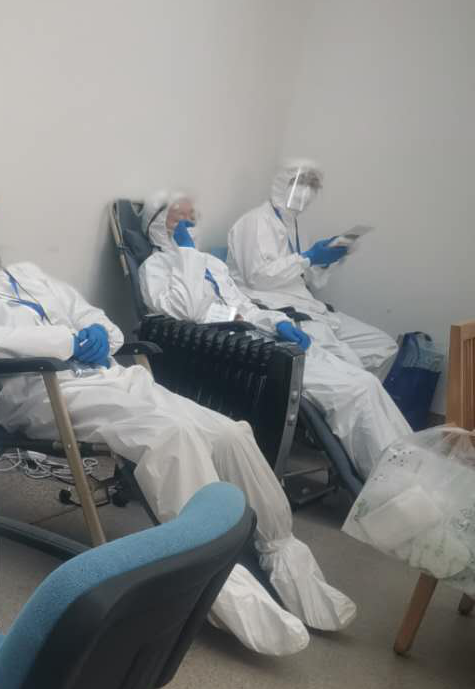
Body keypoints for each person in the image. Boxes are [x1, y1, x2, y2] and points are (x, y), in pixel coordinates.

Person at [0, 198, 358, 656]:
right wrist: (66, 340)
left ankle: (282, 551)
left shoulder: (29, 274)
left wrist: (99, 334)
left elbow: (93, 316)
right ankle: (216, 581)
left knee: (232, 433)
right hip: (45, 392)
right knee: (170, 437)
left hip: (111, 377)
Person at [140, 192, 411, 478]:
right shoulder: (154, 268)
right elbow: (189, 309)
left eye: (191, 217)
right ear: (156, 224)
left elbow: (244, 307)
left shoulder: (212, 264)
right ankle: (391, 482)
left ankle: (413, 465)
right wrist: (187, 254)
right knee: (353, 393)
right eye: (179, 218)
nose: (189, 224)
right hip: (233, 352)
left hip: (260, 338)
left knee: (365, 381)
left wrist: (277, 321)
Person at [227, 160, 399, 377]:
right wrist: (308, 258)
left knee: (384, 346)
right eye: (300, 182)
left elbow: (307, 279)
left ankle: (354, 391)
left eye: (312, 185)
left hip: (308, 306)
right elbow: (258, 279)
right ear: (282, 183)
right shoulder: (255, 222)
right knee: (352, 368)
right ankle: (349, 389)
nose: (306, 191)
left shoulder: (296, 226)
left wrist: (325, 259)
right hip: (277, 308)